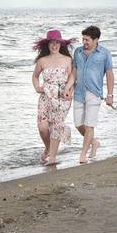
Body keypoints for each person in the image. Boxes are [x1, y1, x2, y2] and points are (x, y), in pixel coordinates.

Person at [32, 29, 75, 166]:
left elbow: (72, 77)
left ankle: (52, 157)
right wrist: (37, 86)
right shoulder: (42, 61)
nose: (54, 46)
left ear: (61, 44)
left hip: (62, 96)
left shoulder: (68, 60)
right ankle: (48, 148)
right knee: (43, 127)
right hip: (46, 96)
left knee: (57, 125)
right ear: (47, 44)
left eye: (57, 43)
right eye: (52, 43)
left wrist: (69, 90)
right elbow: (35, 76)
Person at [72, 25, 114, 163]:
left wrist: (110, 95)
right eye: (83, 39)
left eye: (87, 40)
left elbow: (109, 74)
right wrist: (68, 88)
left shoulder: (104, 53)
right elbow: (74, 71)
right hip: (78, 92)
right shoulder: (77, 52)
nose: (84, 42)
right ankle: (94, 142)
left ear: (96, 40)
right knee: (78, 124)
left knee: (90, 125)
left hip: (94, 93)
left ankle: (83, 154)